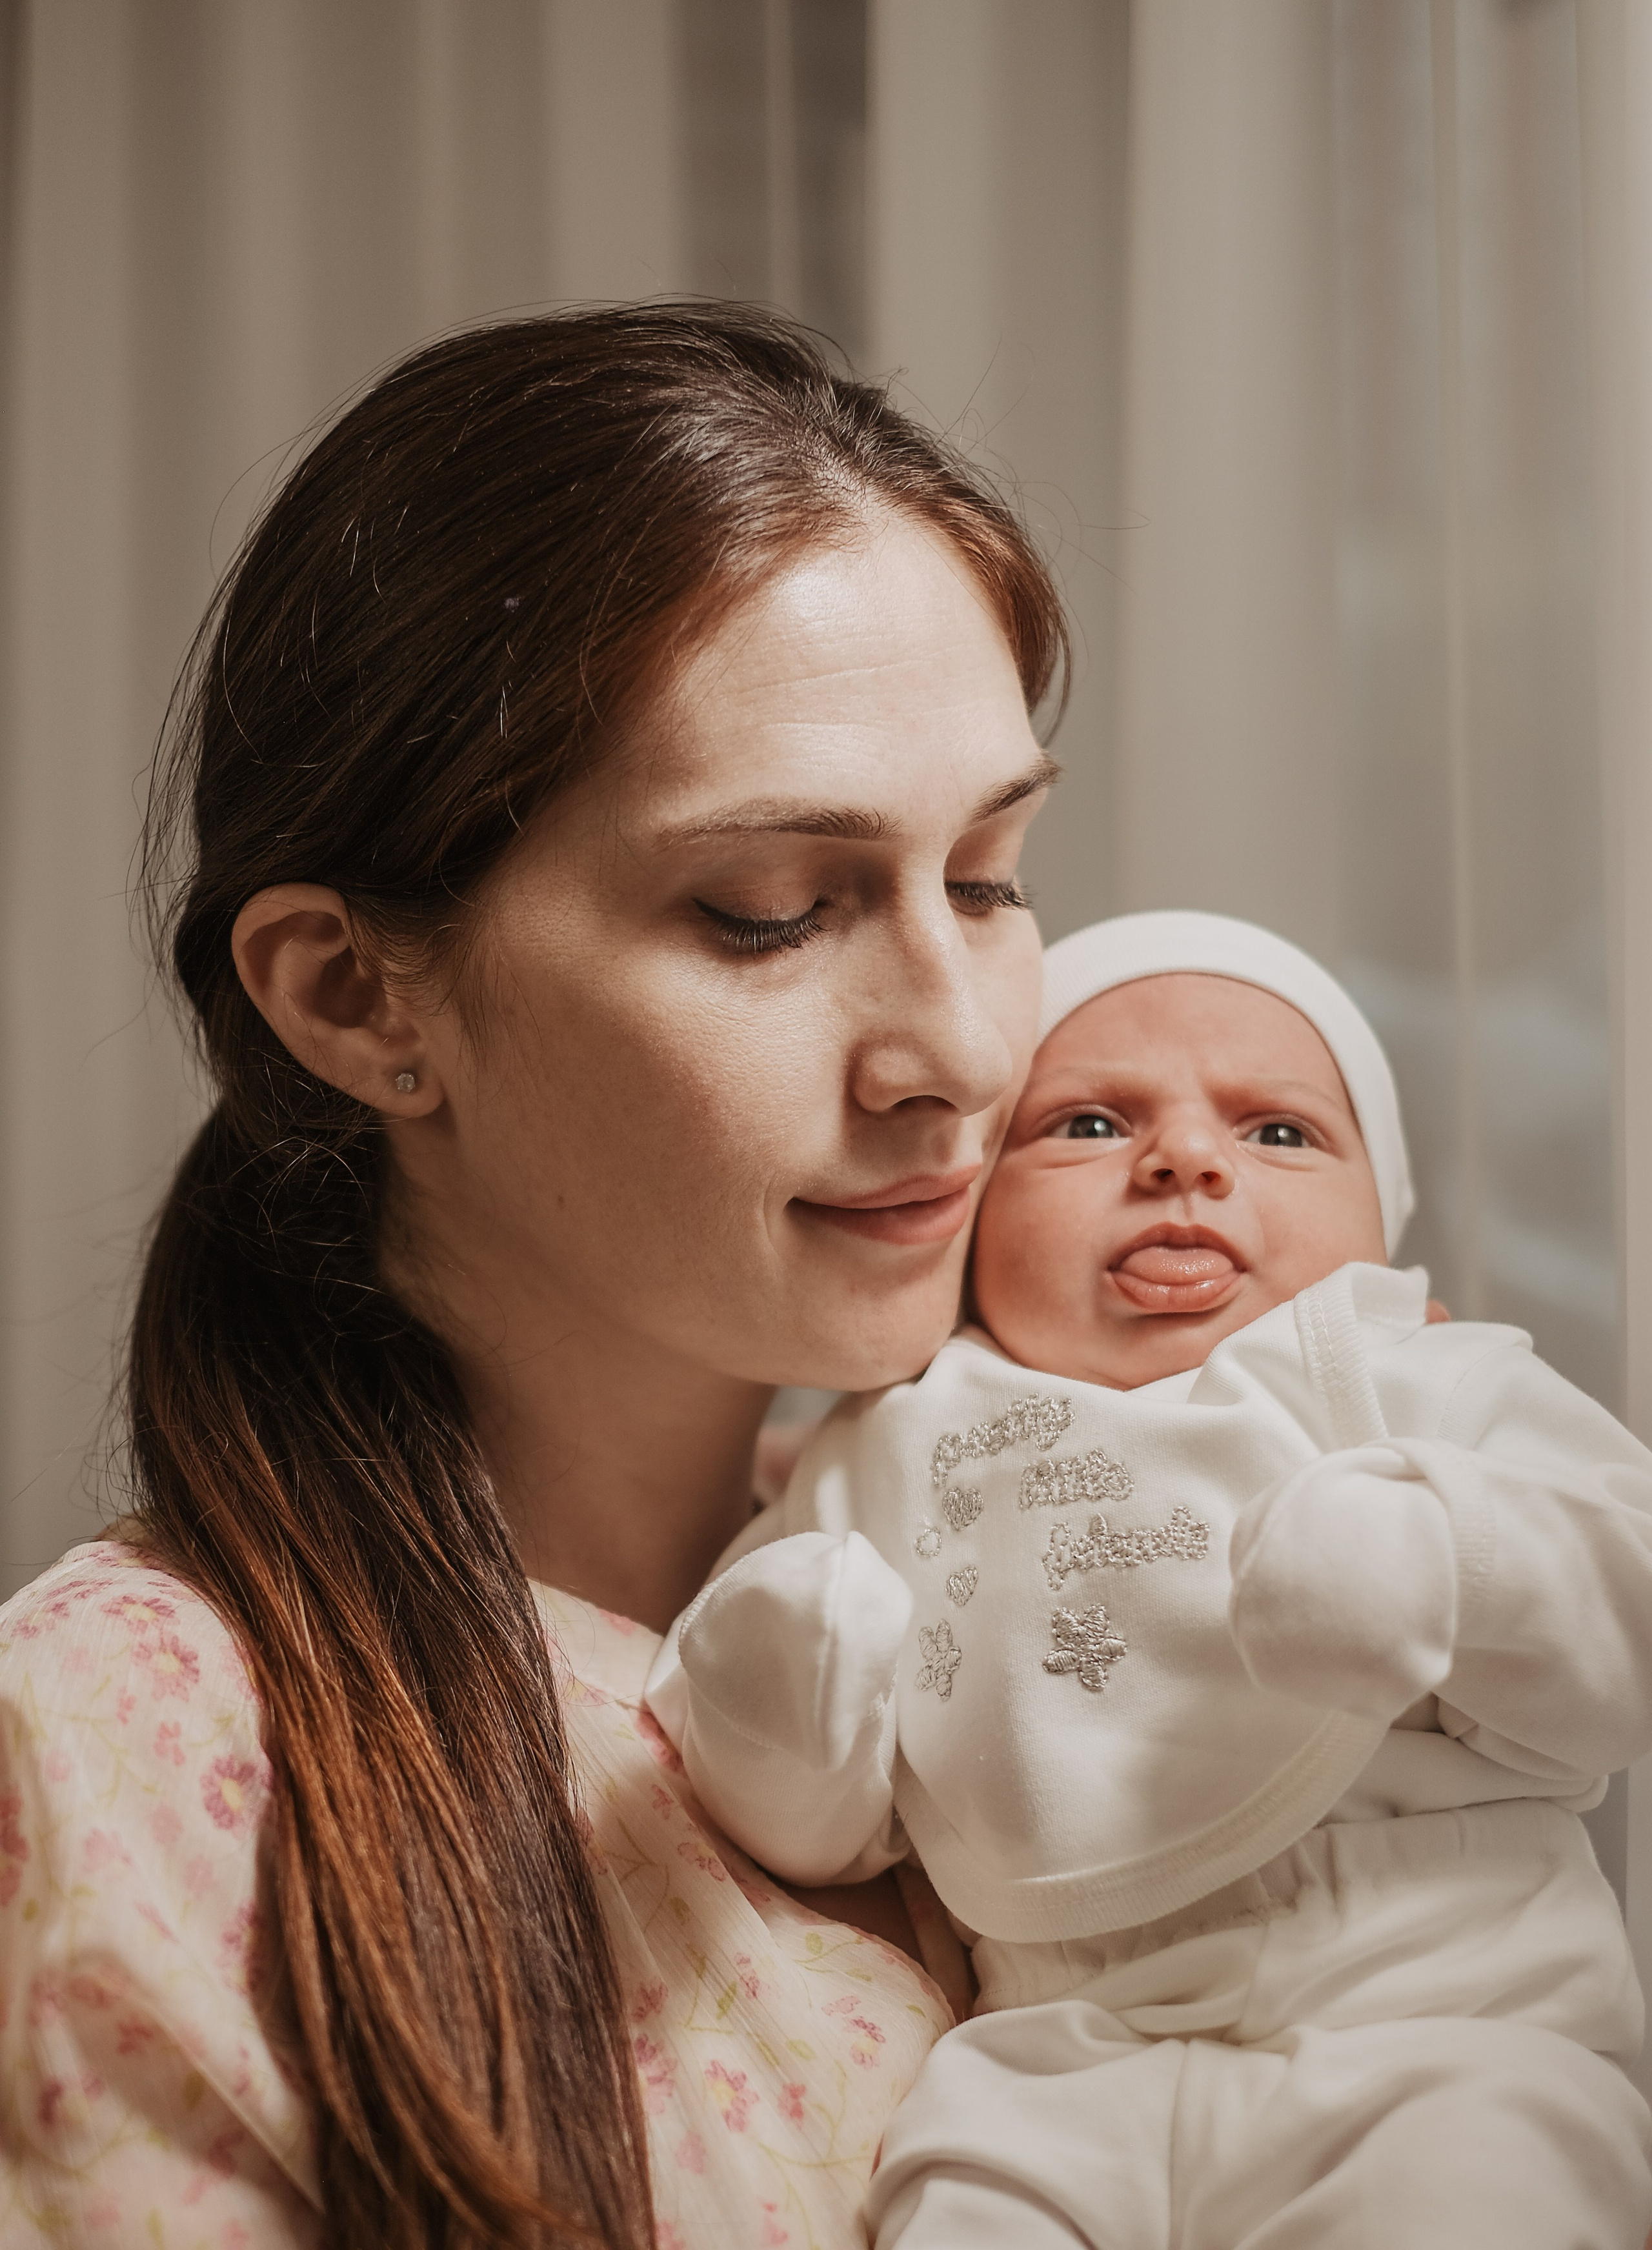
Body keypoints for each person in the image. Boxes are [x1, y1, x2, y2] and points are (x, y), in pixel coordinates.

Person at [0, 305, 1070, 2249]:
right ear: (352, 992)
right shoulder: (122, 1757)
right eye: (770, 914)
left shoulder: (1045, 1594)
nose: (966, 1049)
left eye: (989, 878)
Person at [650, 910, 1652, 2248]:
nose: (1182, 1158)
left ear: (1381, 1225)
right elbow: (825, 1821)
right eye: (1085, 1125)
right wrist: (784, 1687)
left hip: (1437, 2015)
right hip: (1046, 2054)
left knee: (1465, 2194)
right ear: (969, 1210)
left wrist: (1446, 1555)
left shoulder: (1409, 1373)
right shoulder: (905, 1431)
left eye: (1276, 1132)